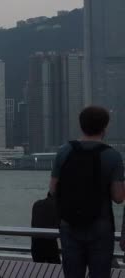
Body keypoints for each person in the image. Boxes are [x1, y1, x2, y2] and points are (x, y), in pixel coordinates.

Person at [50, 106, 124, 278]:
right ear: (105, 127)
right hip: (101, 226)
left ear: (81, 125)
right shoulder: (112, 156)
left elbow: (53, 190)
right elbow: (118, 198)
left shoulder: (64, 151)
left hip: (69, 224)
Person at [31, 192, 60, 264]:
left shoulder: (37, 204)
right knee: (54, 271)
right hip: (50, 246)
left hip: (36, 245)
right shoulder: (58, 206)